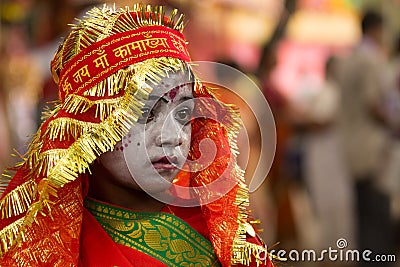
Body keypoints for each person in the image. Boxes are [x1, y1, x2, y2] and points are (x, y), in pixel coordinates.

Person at [0, 3, 274, 267]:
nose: (173, 137)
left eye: (182, 115)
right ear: (87, 125)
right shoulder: (34, 248)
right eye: (145, 114)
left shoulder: (224, 237)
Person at [336, 10, 393, 265]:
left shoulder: (348, 59)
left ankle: (366, 259)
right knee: (377, 213)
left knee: (362, 212)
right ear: (377, 29)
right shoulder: (369, 60)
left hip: (351, 147)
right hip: (371, 147)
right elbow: (373, 105)